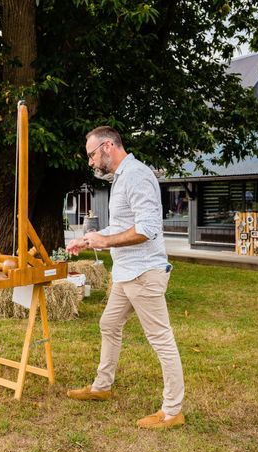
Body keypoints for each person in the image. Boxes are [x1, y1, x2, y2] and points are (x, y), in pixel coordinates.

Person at [65, 126, 185, 430]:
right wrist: (92, 238)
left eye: (92, 155)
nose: (90, 162)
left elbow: (147, 229)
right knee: (108, 324)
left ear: (107, 146)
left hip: (144, 272)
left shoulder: (137, 175)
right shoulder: (120, 179)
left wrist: (106, 242)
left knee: (161, 339)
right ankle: (102, 386)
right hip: (126, 273)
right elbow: (120, 226)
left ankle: (173, 411)